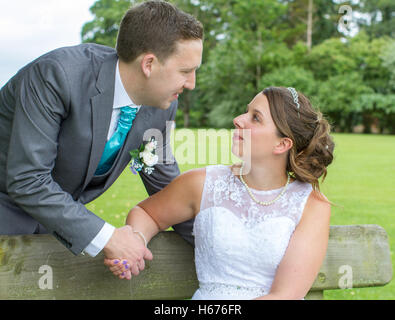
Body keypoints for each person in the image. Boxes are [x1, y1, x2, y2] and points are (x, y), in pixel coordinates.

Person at [0, 1, 203, 272]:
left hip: (55, 238)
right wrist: (108, 237)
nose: (192, 84)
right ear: (149, 64)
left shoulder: (162, 106)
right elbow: (28, 179)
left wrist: (218, 247)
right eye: (185, 71)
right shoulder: (57, 76)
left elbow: (165, 185)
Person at [105, 86, 335, 299]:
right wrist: (134, 241)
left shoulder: (311, 205)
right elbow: (148, 214)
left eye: (255, 117)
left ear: (282, 145)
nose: (238, 120)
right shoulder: (203, 183)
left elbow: (284, 295)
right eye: (246, 112)